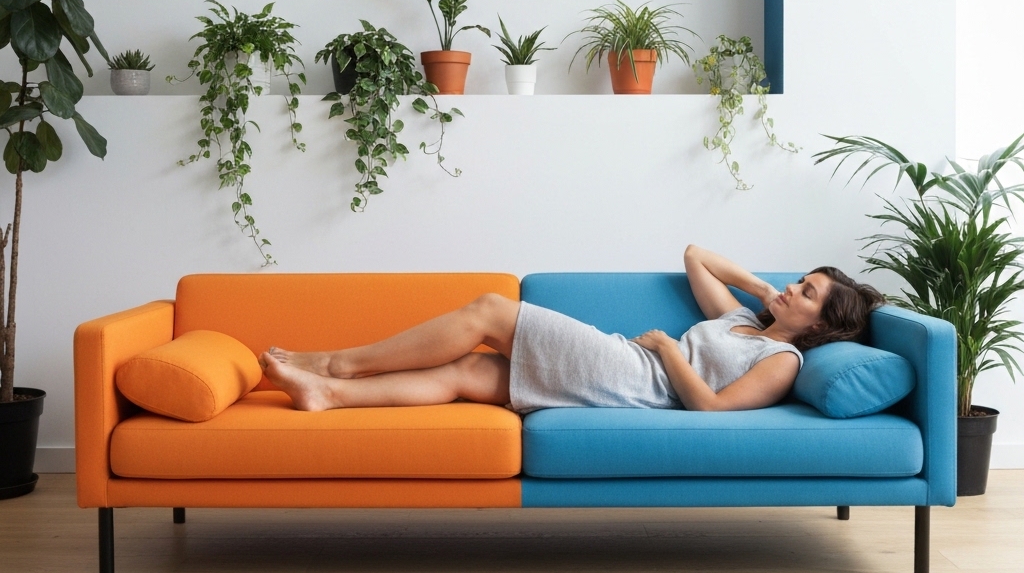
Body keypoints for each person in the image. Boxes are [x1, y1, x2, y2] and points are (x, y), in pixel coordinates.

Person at [259, 245, 884, 414]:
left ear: (820, 325)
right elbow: (696, 253)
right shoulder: (744, 317)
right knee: (468, 372)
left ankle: (337, 365)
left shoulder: (786, 364)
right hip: (624, 363)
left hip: (636, 378)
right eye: (800, 280)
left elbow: (715, 411)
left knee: (489, 310)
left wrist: (668, 349)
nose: (793, 288)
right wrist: (762, 289)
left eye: (806, 292)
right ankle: (329, 394)